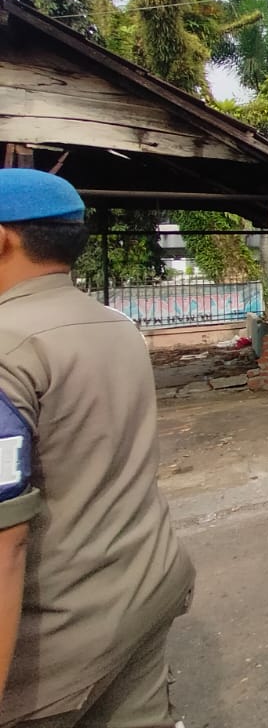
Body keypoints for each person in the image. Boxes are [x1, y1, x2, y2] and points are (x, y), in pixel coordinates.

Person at [0, 169, 195, 727]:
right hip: (145, 585)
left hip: (55, 641)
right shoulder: (117, 325)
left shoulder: (8, 346)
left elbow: (6, 544)